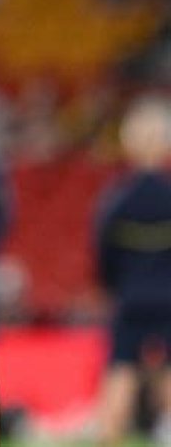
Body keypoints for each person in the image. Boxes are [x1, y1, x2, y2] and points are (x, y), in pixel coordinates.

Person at [94, 95, 171, 446]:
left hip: (130, 297)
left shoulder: (117, 201)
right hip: (168, 298)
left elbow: (104, 255)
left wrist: (116, 287)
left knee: (121, 366)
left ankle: (110, 437)